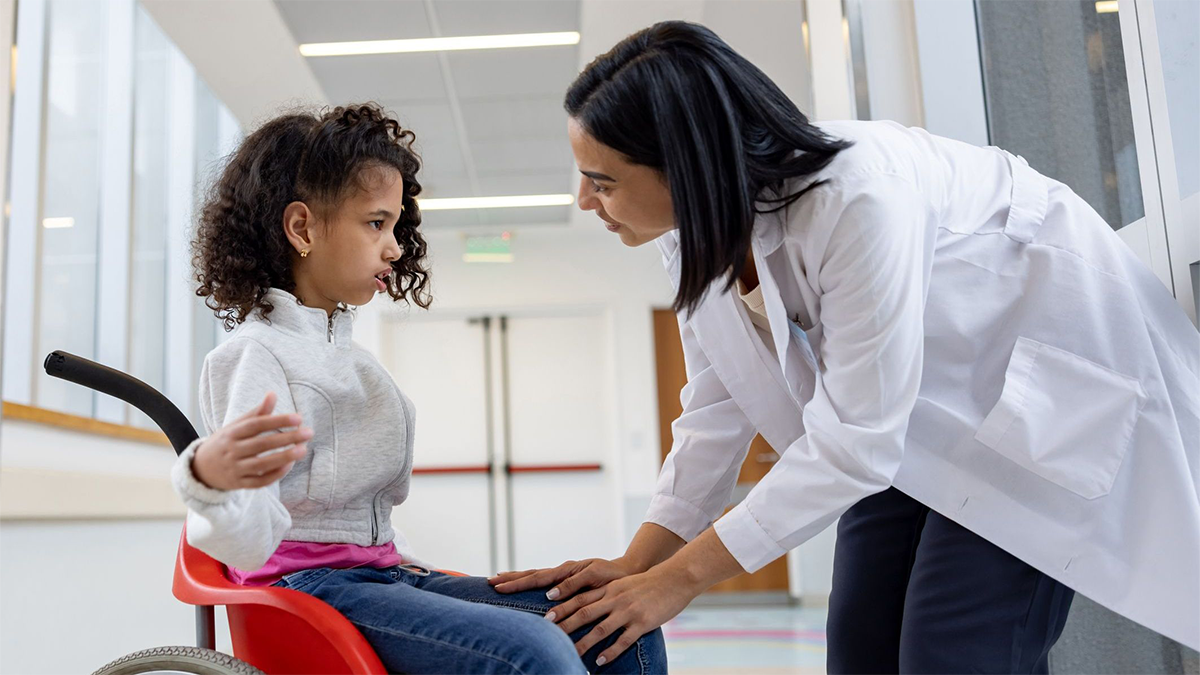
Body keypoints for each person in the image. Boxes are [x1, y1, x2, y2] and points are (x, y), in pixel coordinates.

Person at [490, 21, 1200, 674]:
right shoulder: (695, 238)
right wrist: (637, 564)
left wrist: (674, 584)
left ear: (686, 165)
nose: (586, 202)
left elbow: (856, 441)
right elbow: (716, 409)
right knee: (859, 645)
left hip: (1033, 404)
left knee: (953, 649)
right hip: (906, 423)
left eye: (603, 180)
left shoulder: (857, 196)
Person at [171, 103, 666, 675]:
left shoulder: (352, 359)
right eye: (375, 223)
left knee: (619, 623)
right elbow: (244, 543)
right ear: (303, 227)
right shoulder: (256, 355)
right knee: (536, 651)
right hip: (309, 594)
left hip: (382, 577)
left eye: (394, 226)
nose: (396, 247)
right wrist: (211, 482)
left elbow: (362, 519)